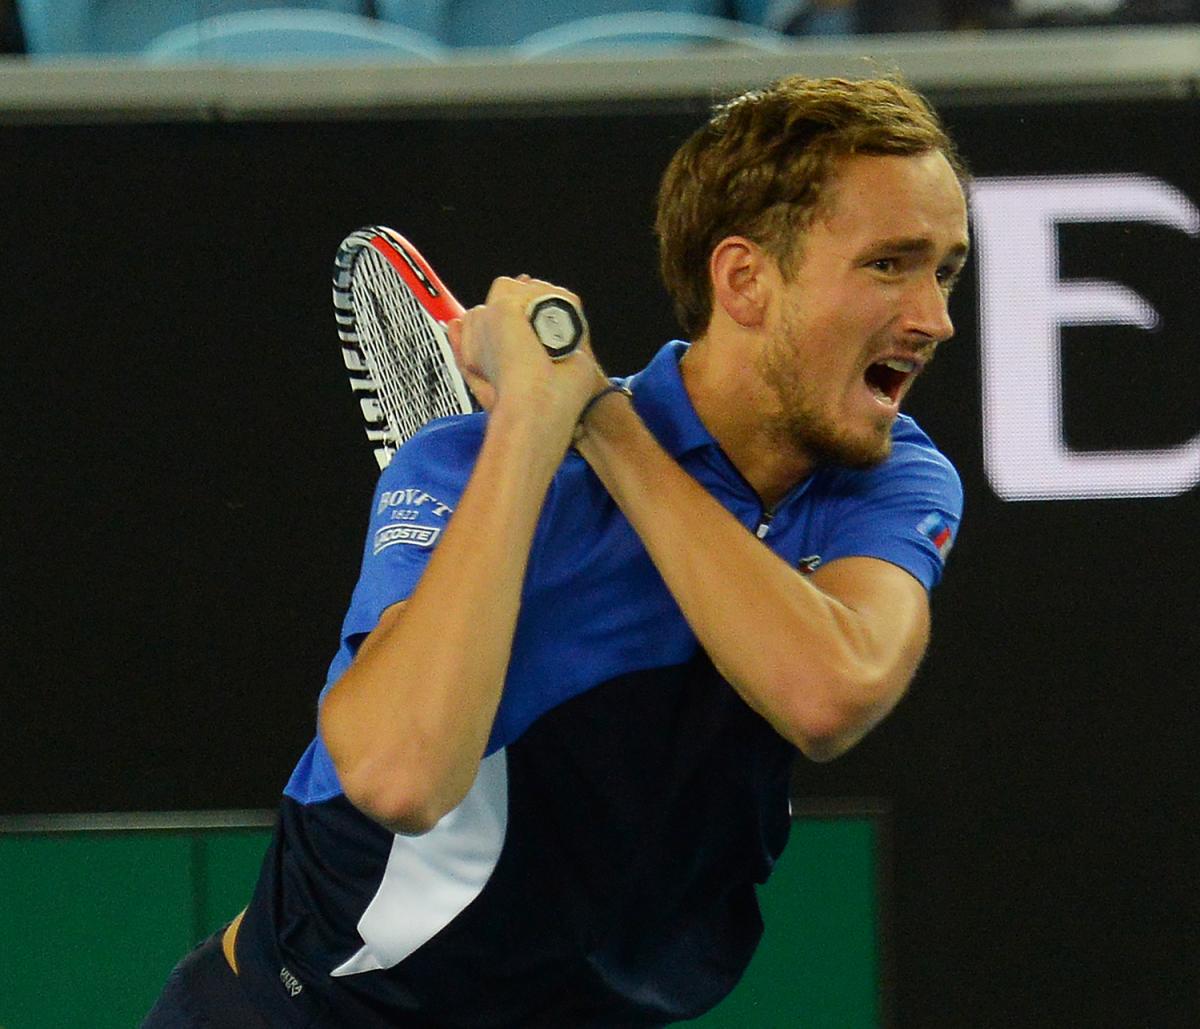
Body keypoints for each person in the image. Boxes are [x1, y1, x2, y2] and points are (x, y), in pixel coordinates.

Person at [144, 73, 969, 1027]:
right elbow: (399, 779)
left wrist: (600, 421)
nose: (935, 317)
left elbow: (829, 689)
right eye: (889, 265)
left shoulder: (889, 479)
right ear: (745, 279)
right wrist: (533, 427)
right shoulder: (469, 463)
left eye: (945, 270)